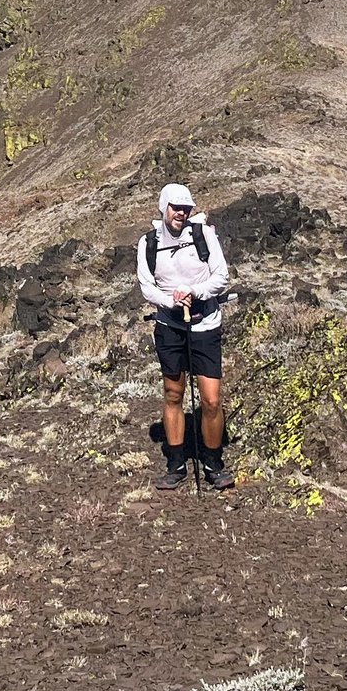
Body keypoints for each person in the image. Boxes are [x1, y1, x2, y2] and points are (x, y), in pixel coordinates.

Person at [137, 183, 233, 491]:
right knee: (173, 394)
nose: (181, 213)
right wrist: (170, 302)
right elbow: (147, 286)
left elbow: (222, 276)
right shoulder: (148, 243)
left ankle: (213, 462)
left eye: (186, 208)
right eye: (176, 207)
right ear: (163, 207)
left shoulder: (204, 236)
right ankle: (176, 463)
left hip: (205, 325)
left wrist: (195, 292)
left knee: (211, 399)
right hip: (170, 327)